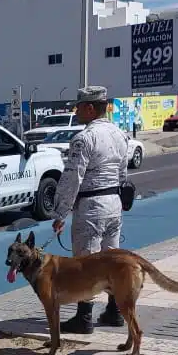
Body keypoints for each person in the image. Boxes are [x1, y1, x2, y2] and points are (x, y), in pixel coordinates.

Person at [52, 85, 130, 334]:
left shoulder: (84, 138)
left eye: (78, 107)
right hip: (114, 204)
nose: (75, 113)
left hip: (91, 207)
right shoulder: (120, 135)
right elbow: (123, 173)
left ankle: (83, 318)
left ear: (89, 108)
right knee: (111, 260)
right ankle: (115, 312)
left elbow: (72, 178)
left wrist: (60, 213)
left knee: (86, 264)